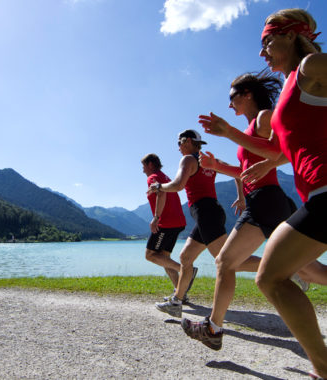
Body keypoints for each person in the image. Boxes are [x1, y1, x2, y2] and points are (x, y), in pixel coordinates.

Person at [197, 8, 327, 378]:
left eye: (267, 41)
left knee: (270, 276)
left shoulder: (312, 67)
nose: (262, 52)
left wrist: (232, 136)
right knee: (279, 273)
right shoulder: (289, 89)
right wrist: (259, 162)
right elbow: (282, 150)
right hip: (314, 193)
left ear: (291, 35)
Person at [181, 70, 311, 351]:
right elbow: (246, 171)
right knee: (307, 268)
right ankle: (213, 328)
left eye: (232, 98)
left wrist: (229, 132)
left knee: (225, 262)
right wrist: (218, 167)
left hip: (266, 199)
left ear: (247, 94)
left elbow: (282, 151)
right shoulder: (252, 126)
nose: (229, 105)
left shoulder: (265, 118)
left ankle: (213, 329)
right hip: (263, 200)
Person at [150, 130, 259, 318]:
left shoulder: (188, 160)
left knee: (228, 261)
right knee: (185, 257)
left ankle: (287, 267)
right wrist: (241, 197)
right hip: (209, 213)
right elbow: (239, 173)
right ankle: (177, 301)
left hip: (205, 213)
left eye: (179, 142)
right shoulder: (209, 160)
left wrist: (159, 187)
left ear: (189, 141)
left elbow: (177, 185)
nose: (178, 147)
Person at [141, 153, 186, 291]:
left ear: (150, 165)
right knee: (164, 258)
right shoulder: (164, 177)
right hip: (178, 222)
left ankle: (186, 271)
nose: (143, 170)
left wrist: (156, 217)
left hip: (167, 223)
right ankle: (180, 293)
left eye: (143, 166)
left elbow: (161, 193)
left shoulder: (153, 177)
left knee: (150, 255)